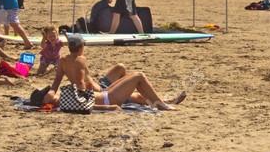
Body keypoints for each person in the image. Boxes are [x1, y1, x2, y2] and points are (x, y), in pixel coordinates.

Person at [45, 36, 184, 110]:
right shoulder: (80, 60)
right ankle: (162, 104)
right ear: (81, 47)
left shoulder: (63, 61)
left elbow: (56, 83)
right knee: (138, 77)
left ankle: (162, 102)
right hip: (104, 96)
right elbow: (82, 89)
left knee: (128, 75)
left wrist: (51, 92)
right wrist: (108, 107)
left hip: (102, 93)